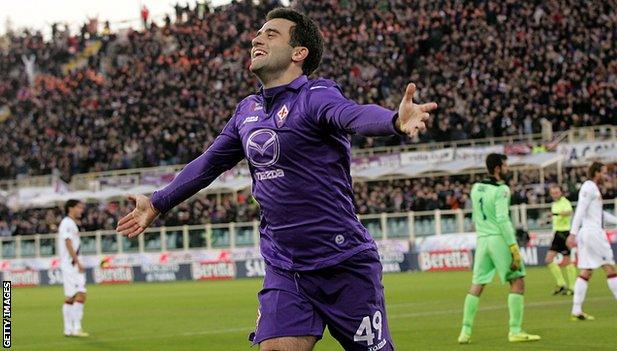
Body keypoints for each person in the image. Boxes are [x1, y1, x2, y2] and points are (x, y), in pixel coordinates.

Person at [116, 7, 436, 351]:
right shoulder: (247, 111)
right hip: (285, 268)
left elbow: (353, 115)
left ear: (299, 53)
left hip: (343, 265)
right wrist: (158, 202)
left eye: (271, 34)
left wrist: (394, 121)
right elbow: (209, 164)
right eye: (258, 33)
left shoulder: (316, 96)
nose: (257, 38)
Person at [458, 154, 540, 344]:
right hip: (498, 239)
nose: (508, 169)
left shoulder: (476, 187)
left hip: (482, 240)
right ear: (497, 168)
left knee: (477, 285)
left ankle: (465, 332)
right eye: (505, 165)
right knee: (517, 281)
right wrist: (513, 247)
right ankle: (515, 331)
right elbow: (503, 219)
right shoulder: (502, 189)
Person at [566, 162, 617, 320]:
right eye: (603, 172)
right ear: (595, 172)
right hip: (593, 234)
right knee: (610, 268)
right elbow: (580, 209)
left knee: (586, 271)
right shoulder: (589, 187)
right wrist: (572, 233)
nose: (606, 176)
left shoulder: (593, 189)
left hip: (588, 234)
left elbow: (600, 214)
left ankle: (576, 310)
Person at [58, 199, 89, 337]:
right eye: (79, 207)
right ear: (70, 208)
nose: (81, 210)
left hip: (72, 264)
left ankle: (69, 329)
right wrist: (77, 262)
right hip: (71, 265)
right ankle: (76, 328)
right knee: (79, 294)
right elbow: (68, 242)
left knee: (72, 297)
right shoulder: (67, 223)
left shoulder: (71, 223)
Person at [545, 185, 576, 295]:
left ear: (560, 192)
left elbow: (568, 212)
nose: (554, 195)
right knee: (549, 259)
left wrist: (555, 214)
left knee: (567, 261)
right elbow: (556, 217)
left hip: (564, 233)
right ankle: (562, 284)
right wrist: (547, 221)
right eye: (553, 193)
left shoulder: (565, 202)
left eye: (556, 192)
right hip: (557, 233)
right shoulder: (554, 204)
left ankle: (572, 288)